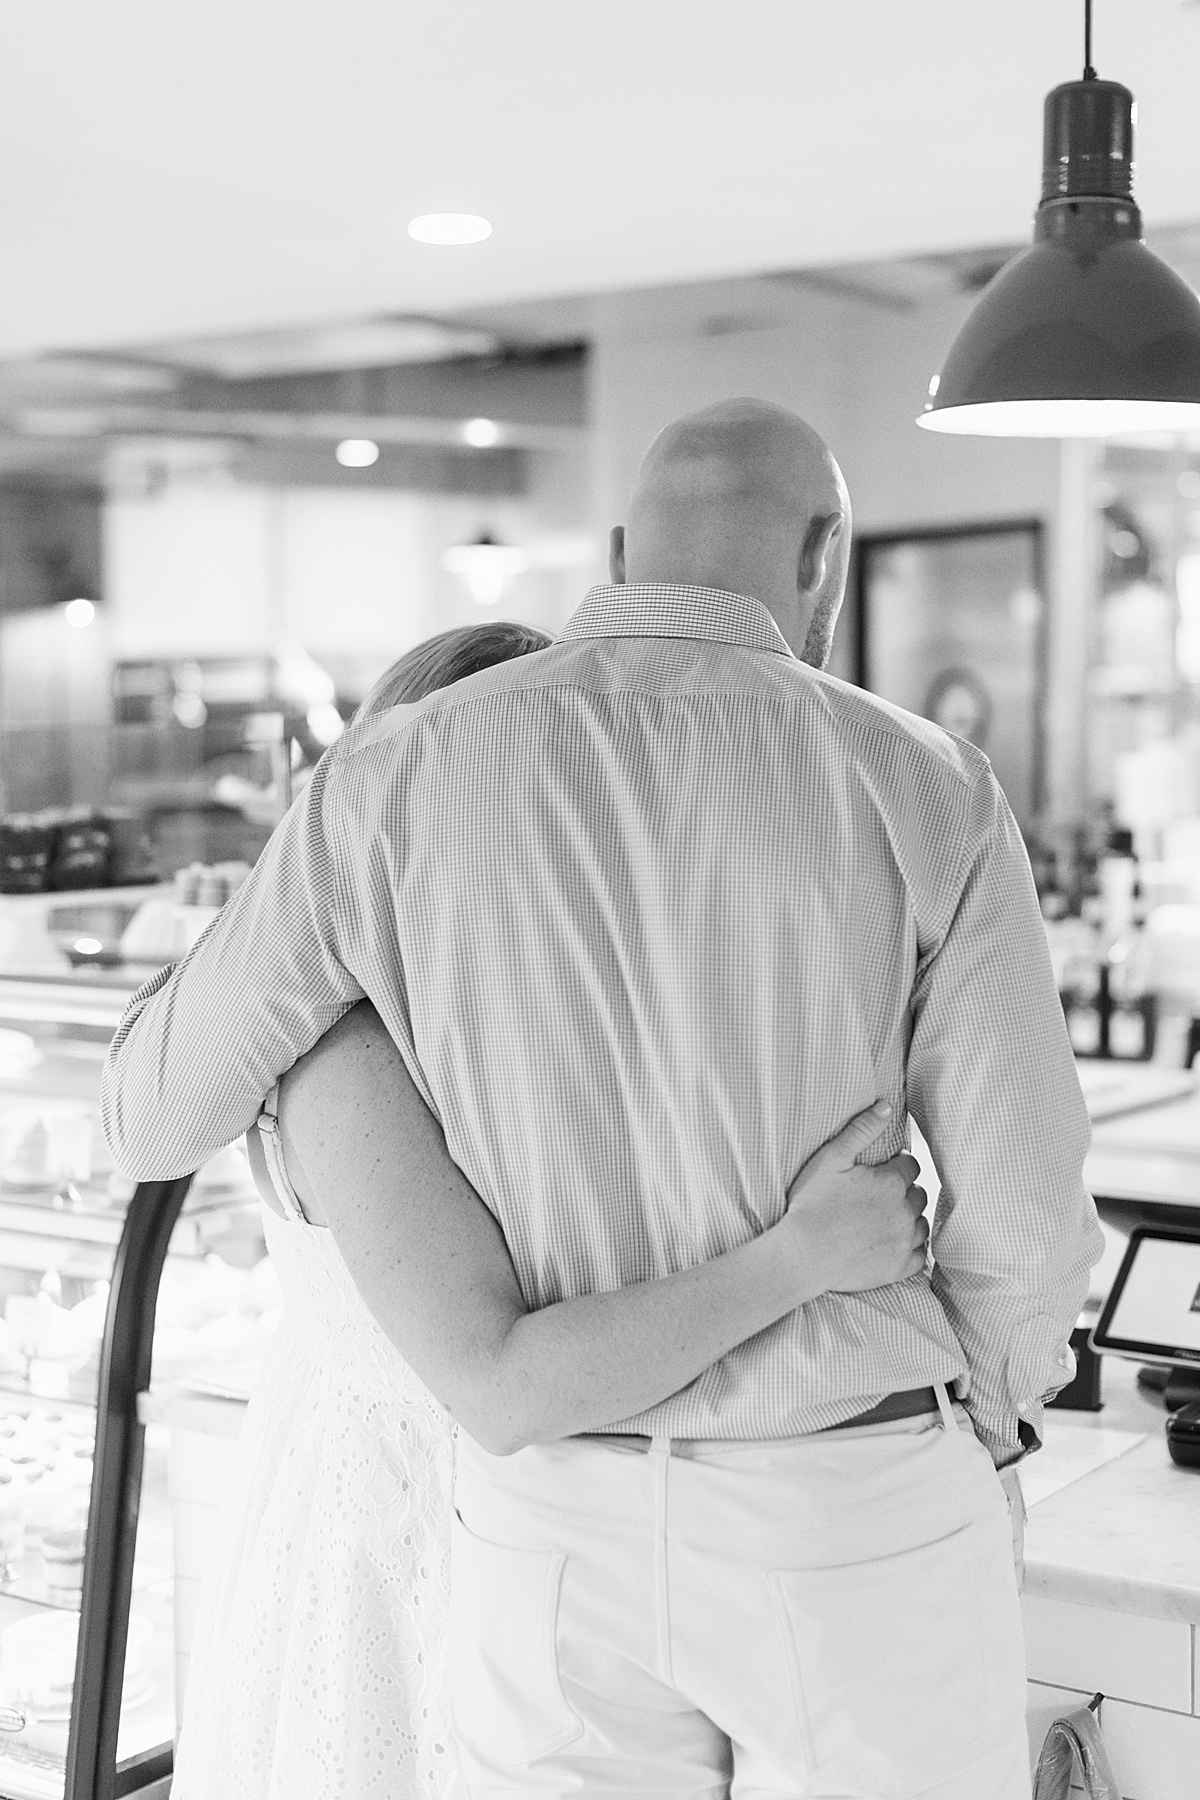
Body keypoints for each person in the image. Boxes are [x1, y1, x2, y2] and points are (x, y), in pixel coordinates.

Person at [104, 398, 1103, 1799]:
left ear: (624, 545)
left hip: (547, 1517)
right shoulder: (921, 780)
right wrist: (986, 1419)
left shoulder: (385, 781)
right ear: (824, 555)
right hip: (846, 1490)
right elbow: (1026, 1199)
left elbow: (146, 1120)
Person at [165, 619, 931, 1800]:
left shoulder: (496, 1011)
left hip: (560, 1546)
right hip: (411, 1550)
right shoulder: (344, 1047)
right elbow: (504, 1385)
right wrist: (806, 1255)